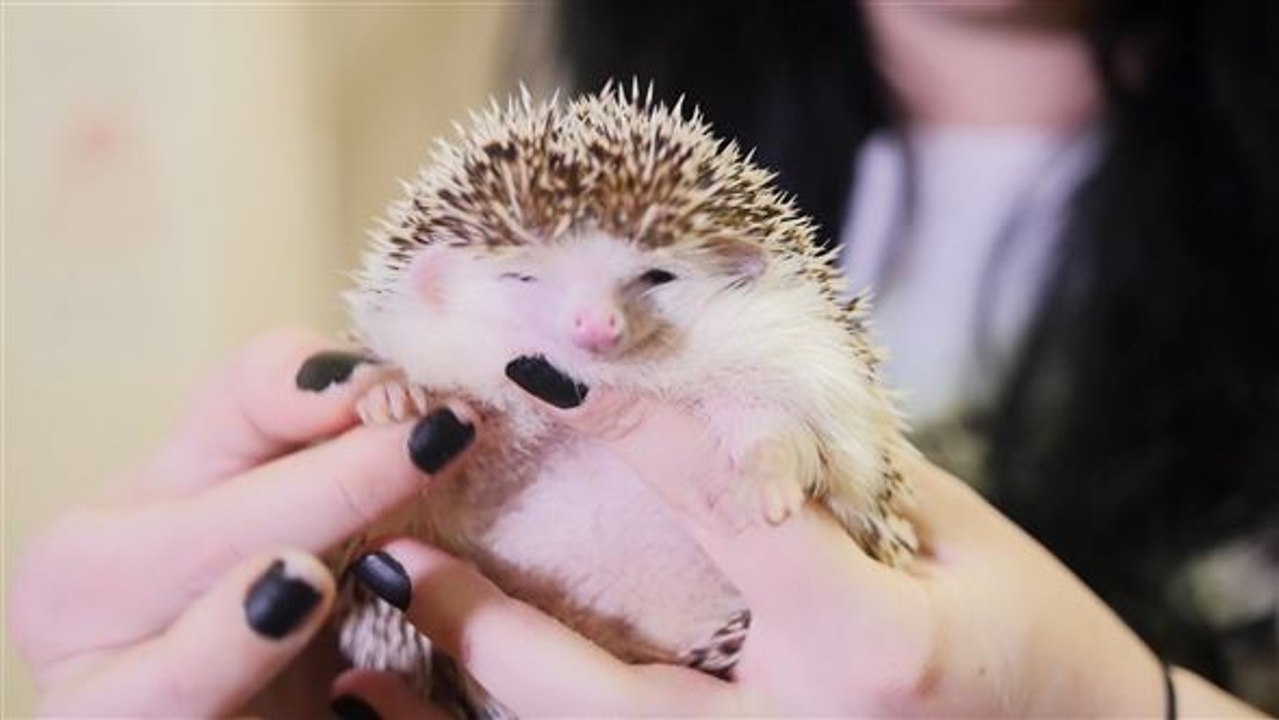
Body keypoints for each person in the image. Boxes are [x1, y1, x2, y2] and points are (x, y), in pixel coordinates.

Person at [10, 1, 1276, 717]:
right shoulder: (595, 141)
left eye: (646, 287)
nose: (595, 331)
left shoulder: (757, 297)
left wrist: (1114, 705)